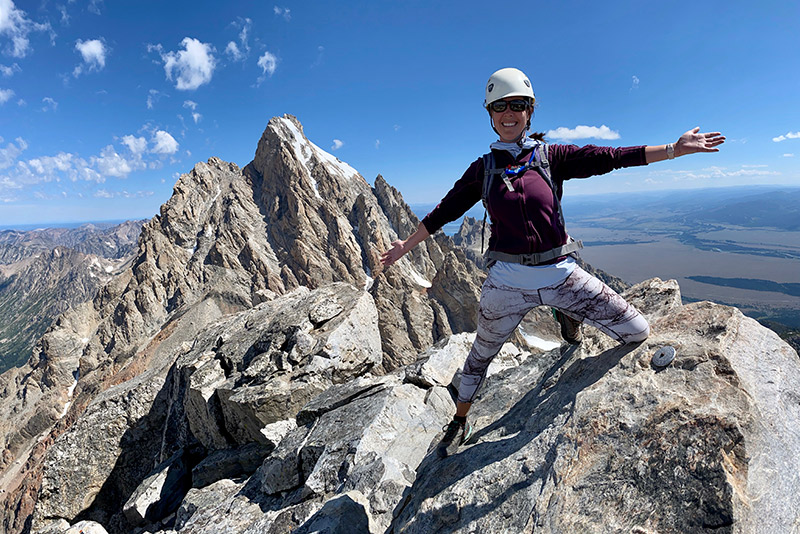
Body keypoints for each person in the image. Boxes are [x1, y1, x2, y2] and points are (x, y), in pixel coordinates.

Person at [380, 67, 725, 458]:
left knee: (637, 331)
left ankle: (568, 315)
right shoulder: (483, 170)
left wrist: (673, 149)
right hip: (507, 281)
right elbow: (446, 210)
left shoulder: (552, 157)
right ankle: (459, 420)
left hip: (560, 272)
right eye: (499, 107)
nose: (508, 113)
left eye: (517, 106)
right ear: (490, 114)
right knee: (479, 357)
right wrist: (406, 246)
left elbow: (610, 157)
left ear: (529, 112)